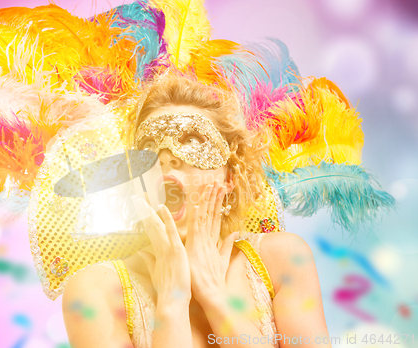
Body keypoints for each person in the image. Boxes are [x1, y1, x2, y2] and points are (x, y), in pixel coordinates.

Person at [61, 76, 332, 348]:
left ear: (230, 177)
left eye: (192, 140)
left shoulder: (283, 260)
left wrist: (215, 297)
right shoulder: (94, 292)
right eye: (149, 147)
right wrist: (172, 301)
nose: (166, 157)